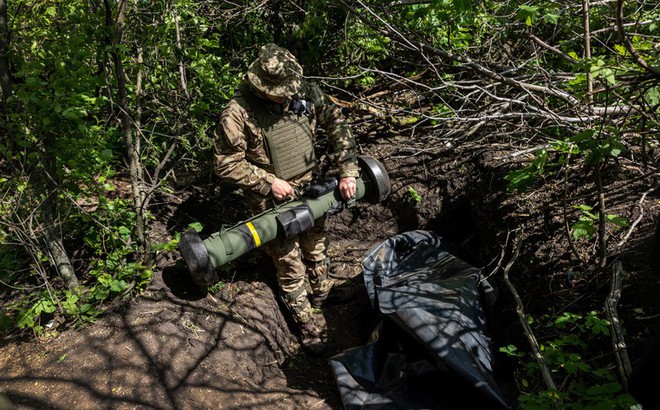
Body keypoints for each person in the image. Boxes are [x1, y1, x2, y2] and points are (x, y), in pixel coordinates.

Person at [212, 43, 360, 353]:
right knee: (289, 260)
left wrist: (348, 171)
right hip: (271, 202)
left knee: (317, 241)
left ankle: (322, 290)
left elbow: (338, 124)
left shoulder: (303, 90)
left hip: (310, 188)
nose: (287, 96)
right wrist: (268, 182)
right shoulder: (237, 112)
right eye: (278, 91)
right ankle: (305, 320)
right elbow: (226, 163)